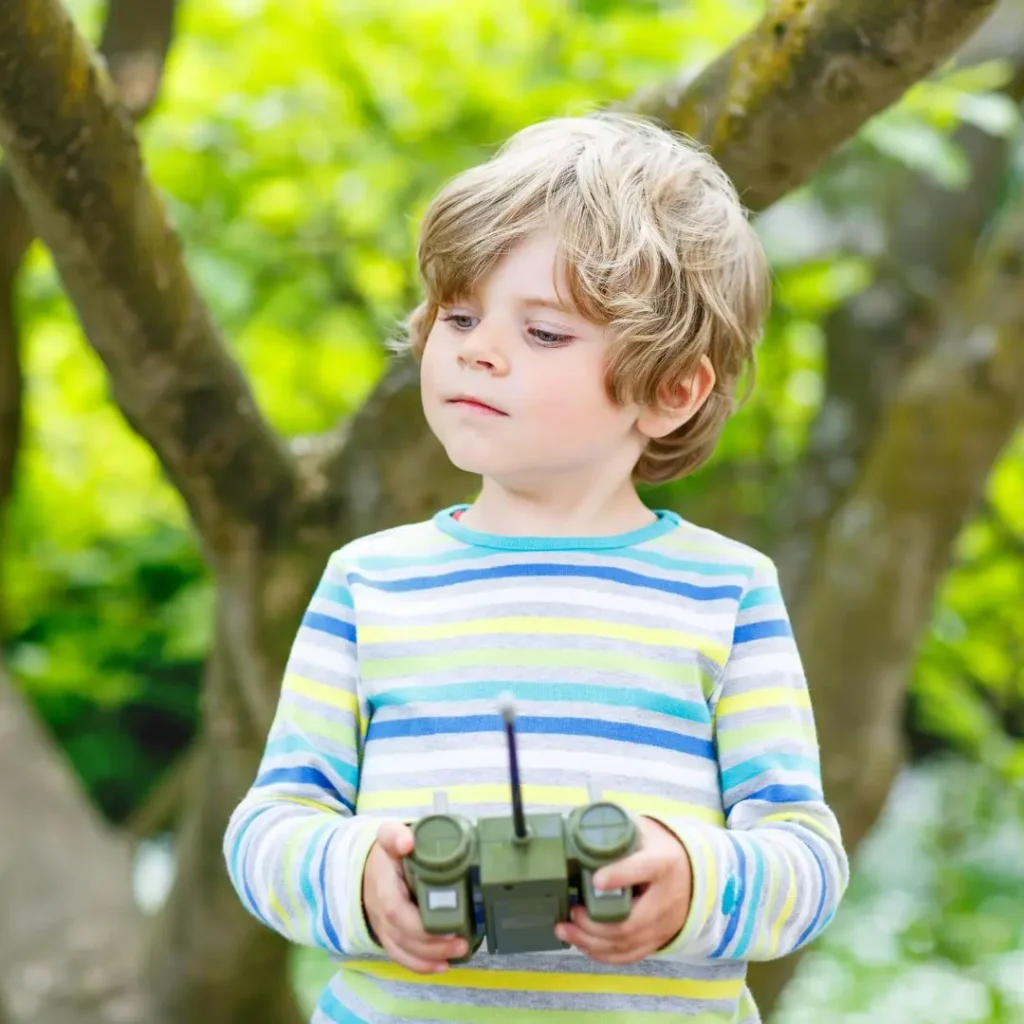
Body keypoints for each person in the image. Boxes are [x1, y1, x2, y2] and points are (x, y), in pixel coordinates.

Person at [223, 110, 850, 1023]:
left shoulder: (727, 593)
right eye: (461, 314)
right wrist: (358, 878)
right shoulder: (368, 584)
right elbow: (268, 828)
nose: (476, 347)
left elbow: (805, 859)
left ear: (671, 390)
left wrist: (691, 876)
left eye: (546, 332)